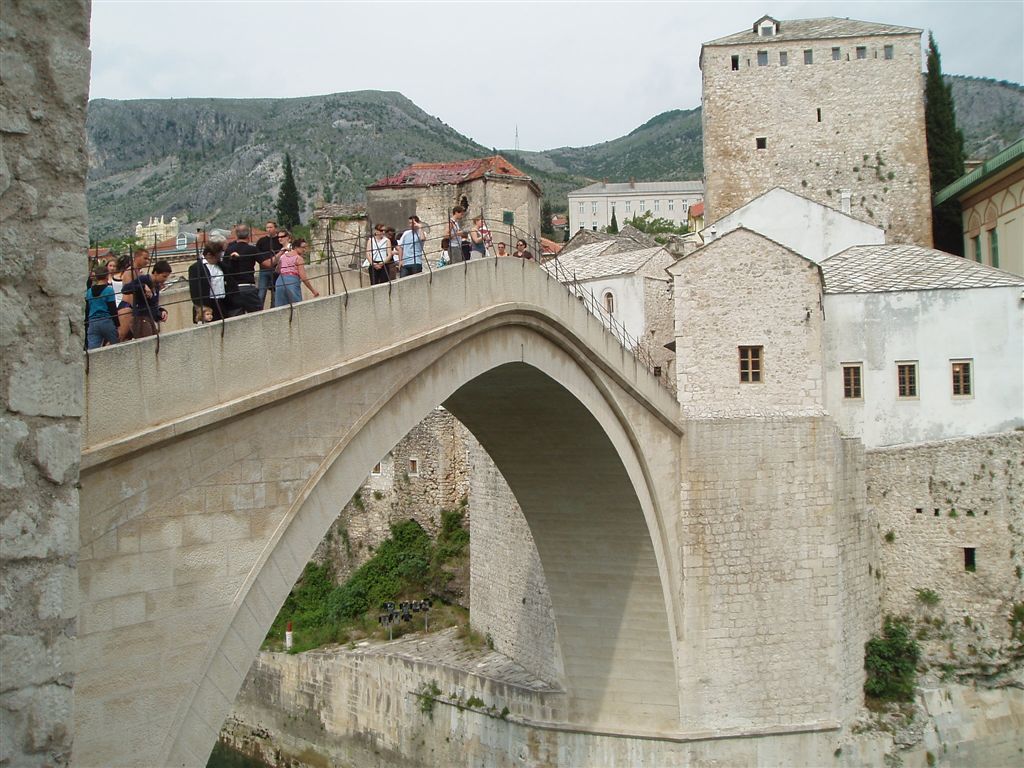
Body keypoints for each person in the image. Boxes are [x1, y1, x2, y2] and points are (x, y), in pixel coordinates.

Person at [223, 224, 268, 315]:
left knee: (236, 318)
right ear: (248, 235)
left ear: (236, 235)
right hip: (248, 287)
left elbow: (224, 268)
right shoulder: (252, 249)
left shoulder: (229, 250)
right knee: (258, 316)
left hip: (233, 289)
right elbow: (267, 264)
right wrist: (280, 254)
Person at [122, 259, 172, 339]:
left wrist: (161, 311)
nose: (165, 279)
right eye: (164, 276)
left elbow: (153, 303)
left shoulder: (156, 285)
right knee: (148, 343)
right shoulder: (144, 279)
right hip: (141, 318)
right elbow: (125, 289)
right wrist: (142, 286)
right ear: (156, 273)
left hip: (149, 319)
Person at [188, 241, 228, 322]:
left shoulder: (220, 265)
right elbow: (194, 291)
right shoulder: (196, 267)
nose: (219, 259)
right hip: (207, 305)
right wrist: (201, 308)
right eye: (217, 257)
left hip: (221, 303)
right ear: (209, 255)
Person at [274, 237, 320, 305]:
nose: (304, 250)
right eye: (303, 247)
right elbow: (303, 277)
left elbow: (277, 270)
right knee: (297, 305)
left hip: (280, 281)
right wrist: (313, 290)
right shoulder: (298, 258)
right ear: (296, 247)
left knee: (280, 306)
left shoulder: (283, 256)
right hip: (292, 281)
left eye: (305, 248)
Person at [117, 249, 150, 341]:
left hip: (136, 308)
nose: (147, 261)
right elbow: (129, 288)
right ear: (137, 257)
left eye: (148, 259)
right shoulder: (130, 271)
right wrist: (143, 286)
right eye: (145, 258)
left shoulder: (139, 272)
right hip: (127, 306)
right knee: (121, 335)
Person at [84, 264, 118, 350]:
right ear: (107, 275)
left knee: (93, 350)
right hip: (106, 321)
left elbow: (87, 309)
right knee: (116, 346)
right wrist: (117, 324)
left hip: (92, 322)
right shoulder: (109, 290)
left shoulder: (89, 291)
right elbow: (112, 309)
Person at [254, 221, 282, 309]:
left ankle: (274, 310)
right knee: (261, 293)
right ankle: (259, 310)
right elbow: (257, 254)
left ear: (275, 228)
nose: (268, 229)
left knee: (275, 293)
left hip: (276, 270)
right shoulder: (261, 241)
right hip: (264, 270)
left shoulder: (279, 240)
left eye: (271, 227)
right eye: (267, 227)